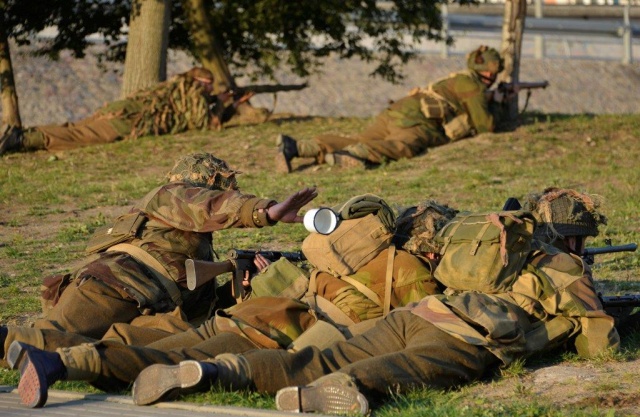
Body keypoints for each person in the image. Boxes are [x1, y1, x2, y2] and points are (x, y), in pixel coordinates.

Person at [112, 187, 617, 415]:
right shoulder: (565, 267)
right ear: (574, 239)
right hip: (469, 337)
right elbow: (601, 345)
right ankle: (329, 394)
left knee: (313, 358)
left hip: (416, 313)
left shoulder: (487, 246)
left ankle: (220, 373)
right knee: (403, 370)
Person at [1, 200, 460, 408]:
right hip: (265, 332)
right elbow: (414, 324)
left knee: (135, 339)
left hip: (242, 314)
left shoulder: (346, 251)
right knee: (160, 356)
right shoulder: (410, 273)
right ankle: (63, 365)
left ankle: (23, 342)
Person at [14, 152, 317, 345]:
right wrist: (265, 212)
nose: (230, 194)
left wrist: (245, 285)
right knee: (43, 339)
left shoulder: (191, 242)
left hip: (143, 305)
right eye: (225, 189)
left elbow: (201, 315)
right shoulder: (172, 195)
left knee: (83, 349)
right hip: (113, 287)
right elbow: (207, 205)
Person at [274, 45, 507, 172]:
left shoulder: (458, 79)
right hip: (417, 121)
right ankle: (356, 155)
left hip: (397, 111)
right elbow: (485, 126)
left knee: (355, 138)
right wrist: (498, 104)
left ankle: (297, 147)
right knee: (403, 146)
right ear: (490, 71)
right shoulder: (473, 85)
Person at [0, 67, 254, 156]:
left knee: (74, 128)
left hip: (122, 111)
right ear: (201, 82)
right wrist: (222, 103)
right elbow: (204, 123)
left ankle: (20, 134)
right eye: (208, 84)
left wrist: (231, 105)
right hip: (130, 121)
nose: (209, 88)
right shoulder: (192, 90)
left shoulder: (181, 86)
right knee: (79, 137)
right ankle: (20, 140)